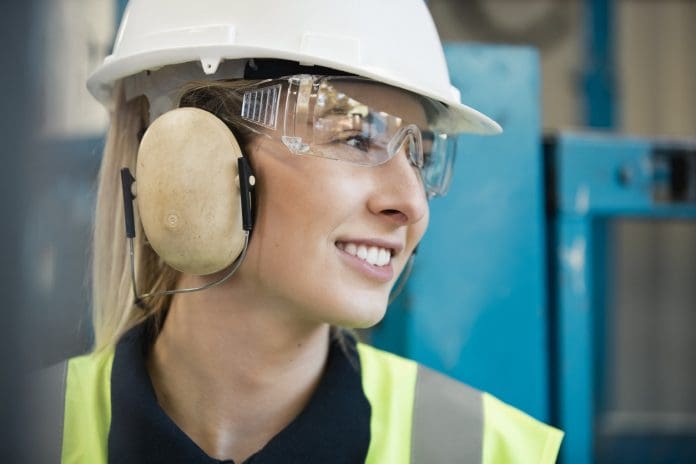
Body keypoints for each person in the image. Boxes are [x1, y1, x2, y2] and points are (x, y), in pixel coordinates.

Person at [37, 0, 563, 462]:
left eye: (419, 156)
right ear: (186, 151)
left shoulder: (496, 453)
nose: (411, 204)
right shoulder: (26, 434)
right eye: (355, 138)